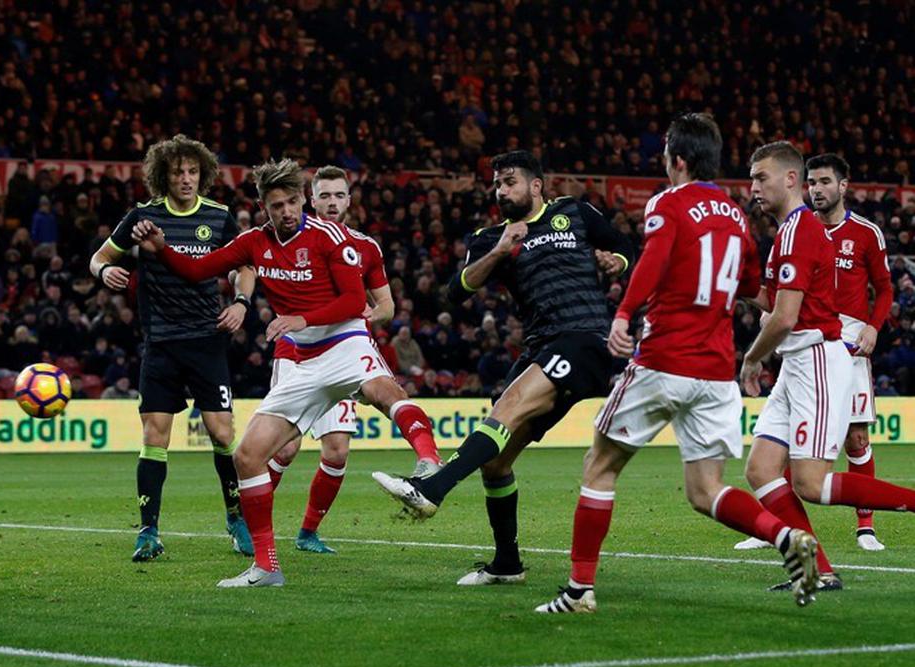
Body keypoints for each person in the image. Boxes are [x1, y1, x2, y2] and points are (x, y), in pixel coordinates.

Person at [534, 114, 818, 614]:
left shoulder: (669, 202)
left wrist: (624, 313)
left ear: (679, 160)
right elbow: (753, 287)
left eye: (666, 152)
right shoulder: (736, 217)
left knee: (599, 466)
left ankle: (579, 591)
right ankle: (784, 536)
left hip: (664, 360)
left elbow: (654, 261)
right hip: (716, 372)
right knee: (706, 490)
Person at [136, 158, 442, 587]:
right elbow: (197, 270)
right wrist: (162, 248)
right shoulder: (253, 242)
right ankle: (266, 567)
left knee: (382, 391)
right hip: (301, 360)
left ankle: (429, 464)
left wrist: (301, 319)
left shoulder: (329, 237)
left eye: (292, 202)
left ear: (302, 200)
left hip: (343, 340)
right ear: (264, 206)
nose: (286, 211)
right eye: (276, 205)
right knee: (247, 456)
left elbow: (354, 301)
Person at [371, 150, 634, 587]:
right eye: (497, 184)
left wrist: (617, 261)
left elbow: (625, 246)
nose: (501, 190)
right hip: (539, 348)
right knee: (496, 462)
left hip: (585, 338)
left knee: (508, 406)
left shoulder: (575, 212)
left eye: (510, 181)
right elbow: (454, 292)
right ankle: (507, 564)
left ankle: (431, 489)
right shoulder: (491, 237)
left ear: (536, 185)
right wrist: (498, 251)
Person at [739, 142, 915, 594]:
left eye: (761, 177)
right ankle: (814, 568)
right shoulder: (790, 232)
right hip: (798, 360)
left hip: (816, 357)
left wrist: (752, 358)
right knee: (761, 470)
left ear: (789, 180)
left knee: (811, 483)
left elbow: (784, 317)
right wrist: (736, 284)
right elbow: (773, 302)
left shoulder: (799, 232)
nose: (753, 187)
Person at [88, 135, 257, 562]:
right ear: (163, 175)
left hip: (206, 341)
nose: (186, 178)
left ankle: (236, 519)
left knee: (222, 433)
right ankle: (148, 531)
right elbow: (99, 258)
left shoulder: (218, 217)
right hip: (161, 343)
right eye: (178, 171)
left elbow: (245, 267)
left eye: (193, 171)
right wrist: (105, 272)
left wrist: (241, 301)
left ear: (203, 174)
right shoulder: (143, 217)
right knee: (154, 436)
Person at [264, 166, 397, 554]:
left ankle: (308, 533)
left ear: (349, 200)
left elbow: (386, 305)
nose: (332, 202)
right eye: (325, 196)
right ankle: (248, 524)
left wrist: (370, 315)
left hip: (341, 354)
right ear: (311, 200)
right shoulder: (293, 238)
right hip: (297, 351)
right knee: (285, 448)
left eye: (339, 195)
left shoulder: (365, 247)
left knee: (337, 450)